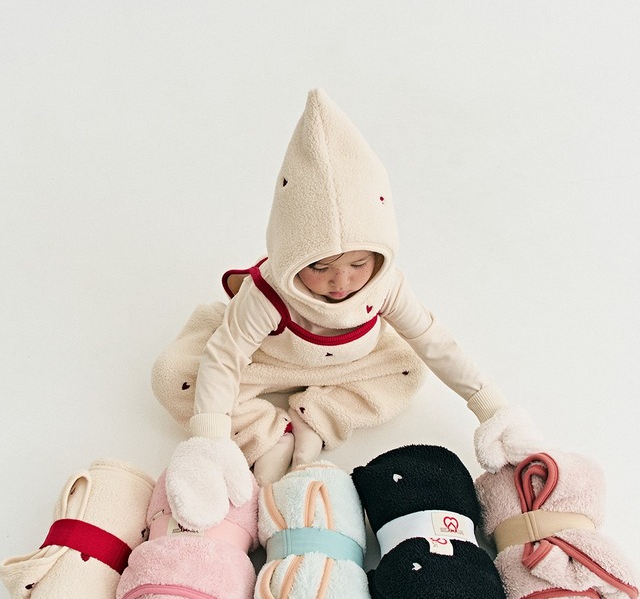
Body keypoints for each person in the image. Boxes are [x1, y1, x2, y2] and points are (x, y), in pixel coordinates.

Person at [154, 89, 543, 531]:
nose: (341, 282)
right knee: (176, 377)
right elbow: (226, 356)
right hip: (268, 362)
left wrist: (492, 408)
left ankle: (317, 417)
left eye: (358, 265)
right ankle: (269, 434)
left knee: (408, 369)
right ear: (289, 257)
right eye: (319, 268)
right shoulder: (266, 293)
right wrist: (209, 439)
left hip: (353, 365)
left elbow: (435, 342)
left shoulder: (387, 285)